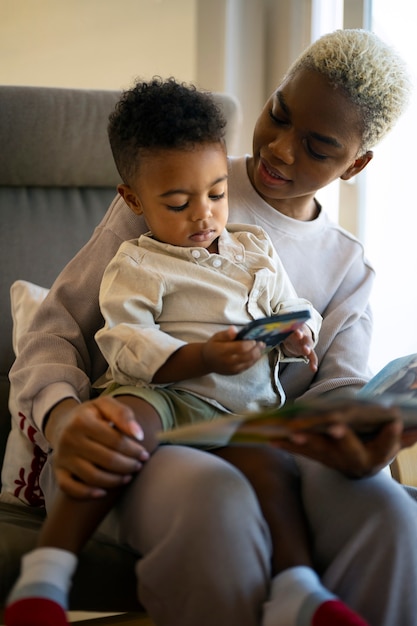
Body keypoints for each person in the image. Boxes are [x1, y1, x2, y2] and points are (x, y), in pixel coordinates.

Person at [2, 28, 417, 626]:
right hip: (158, 434)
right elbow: (56, 326)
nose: (279, 148)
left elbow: (336, 388)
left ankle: (303, 596)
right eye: (278, 113)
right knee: (217, 502)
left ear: (356, 163)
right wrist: (61, 415)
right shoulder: (179, 182)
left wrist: (362, 432)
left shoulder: (349, 267)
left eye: (318, 146)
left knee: (387, 513)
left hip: (266, 441)